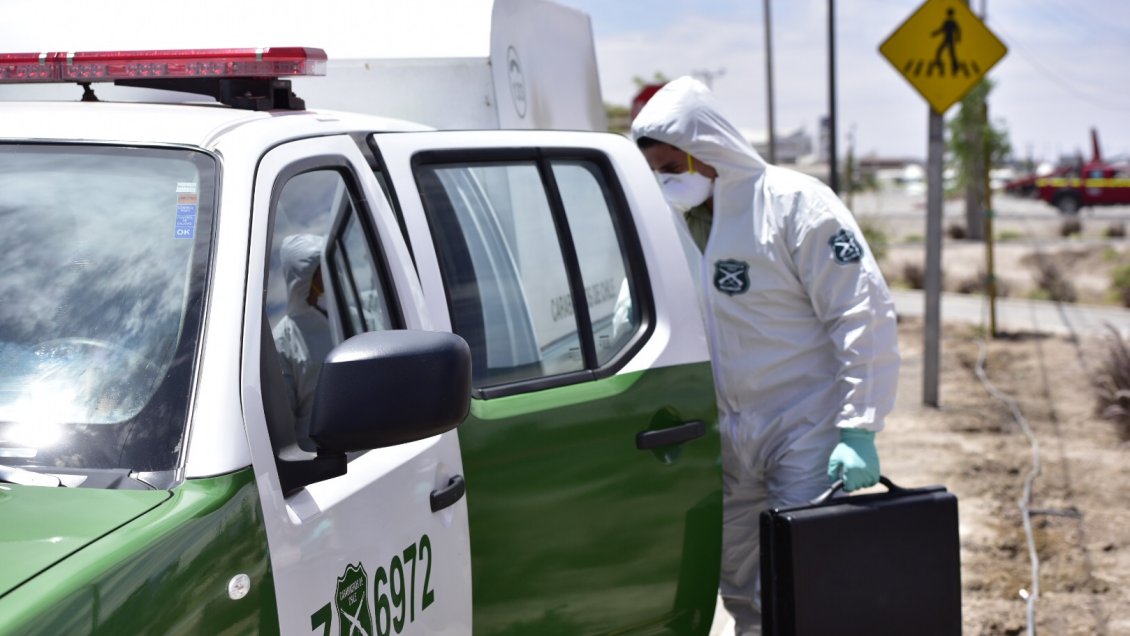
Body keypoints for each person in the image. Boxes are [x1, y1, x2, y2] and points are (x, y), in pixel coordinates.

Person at [632, 77, 900, 634]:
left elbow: (861, 313)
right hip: (725, 432)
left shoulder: (793, 204)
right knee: (739, 577)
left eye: (671, 165)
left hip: (806, 425)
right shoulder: (667, 225)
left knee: (803, 573)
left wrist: (859, 427)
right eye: (654, 170)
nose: (665, 180)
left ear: (707, 151)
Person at [272, 233, 334, 441]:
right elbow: (283, 415)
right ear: (303, 274)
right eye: (320, 267)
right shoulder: (283, 339)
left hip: (368, 446)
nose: (328, 271)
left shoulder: (345, 312)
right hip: (319, 457)